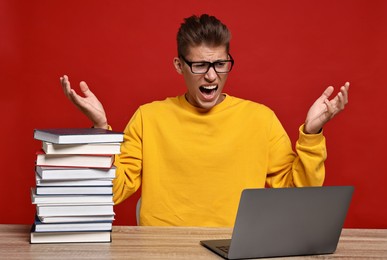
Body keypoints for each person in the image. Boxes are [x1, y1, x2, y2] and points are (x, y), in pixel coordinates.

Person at [60, 14, 349, 227]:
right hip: (161, 249)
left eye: (220, 64)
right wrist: (99, 131)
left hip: (237, 246)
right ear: (179, 65)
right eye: (199, 65)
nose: (211, 76)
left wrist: (311, 133)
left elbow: (297, 198)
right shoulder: (149, 117)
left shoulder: (260, 119)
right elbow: (112, 191)